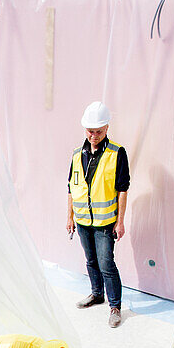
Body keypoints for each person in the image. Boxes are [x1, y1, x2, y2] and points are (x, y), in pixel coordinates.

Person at [66, 100, 130, 329]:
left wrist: (120, 222)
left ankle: (115, 306)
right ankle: (96, 294)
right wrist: (70, 217)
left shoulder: (117, 153)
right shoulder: (76, 155)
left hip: (105, 223)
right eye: (90, 131)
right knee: (91, 261)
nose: (93, 135)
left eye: (98, 131)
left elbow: (123, 189)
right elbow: (71, 188)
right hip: (82, 221)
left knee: (106, 264)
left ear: (107, 129)